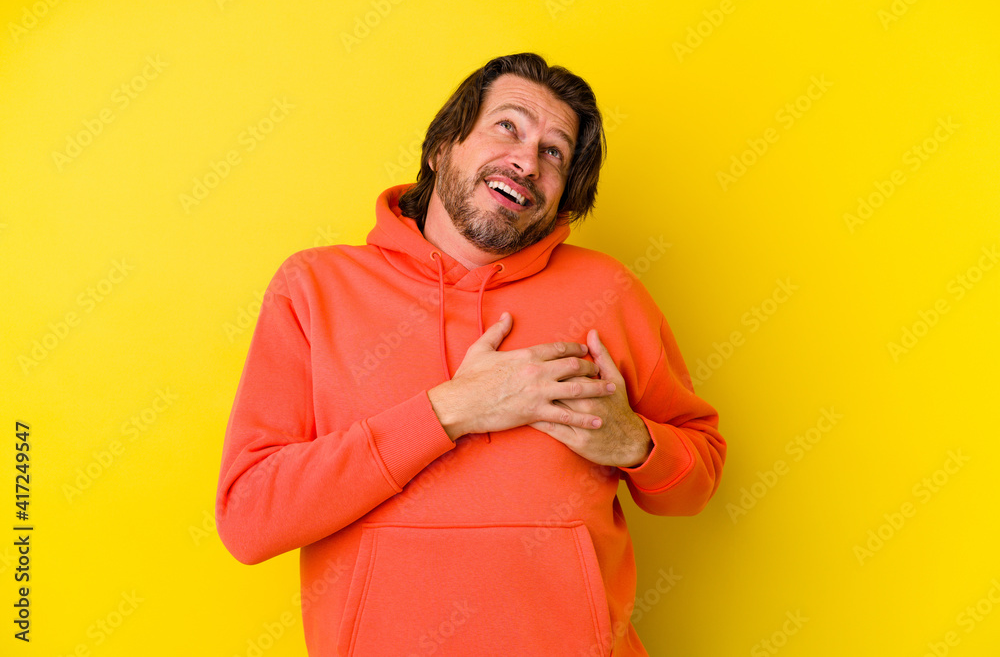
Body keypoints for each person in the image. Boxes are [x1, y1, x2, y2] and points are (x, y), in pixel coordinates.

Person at [215, 52, 726, 657]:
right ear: (442, 147)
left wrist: (634, 443)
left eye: (554, 152)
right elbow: (249, 520)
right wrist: (453, 409)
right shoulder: (316, 287)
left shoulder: (607, 293)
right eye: (507, 126)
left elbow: (696, 483)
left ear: (564, 196)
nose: (527, 161)